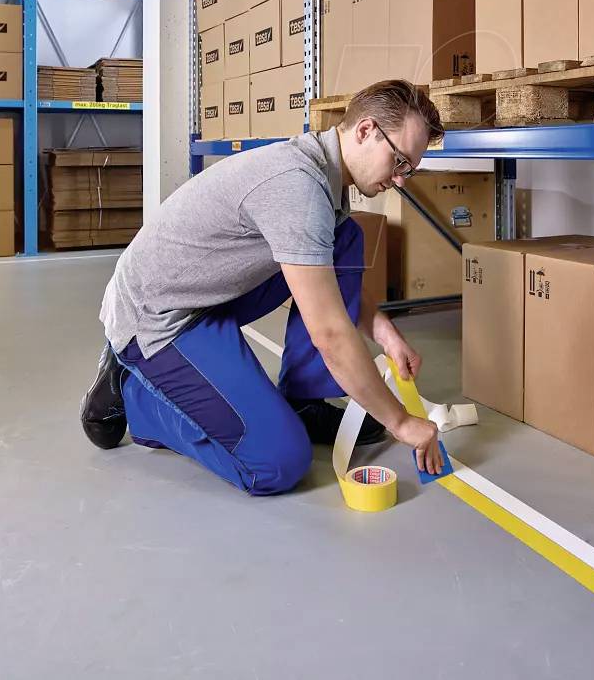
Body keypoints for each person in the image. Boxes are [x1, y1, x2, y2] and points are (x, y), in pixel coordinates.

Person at [80, 79, 446, 496]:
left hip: (208, 292)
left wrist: (386, 335)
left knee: (344, 238)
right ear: (365, 130)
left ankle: (303, 400)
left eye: (409, 169)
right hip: (158, 317)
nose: (401, 179)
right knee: (277, 462)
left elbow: (323, 279)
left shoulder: (323, 177)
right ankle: (136, 396)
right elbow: (329, 332)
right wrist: (400, 421)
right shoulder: (299, 189)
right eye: (399, 161)